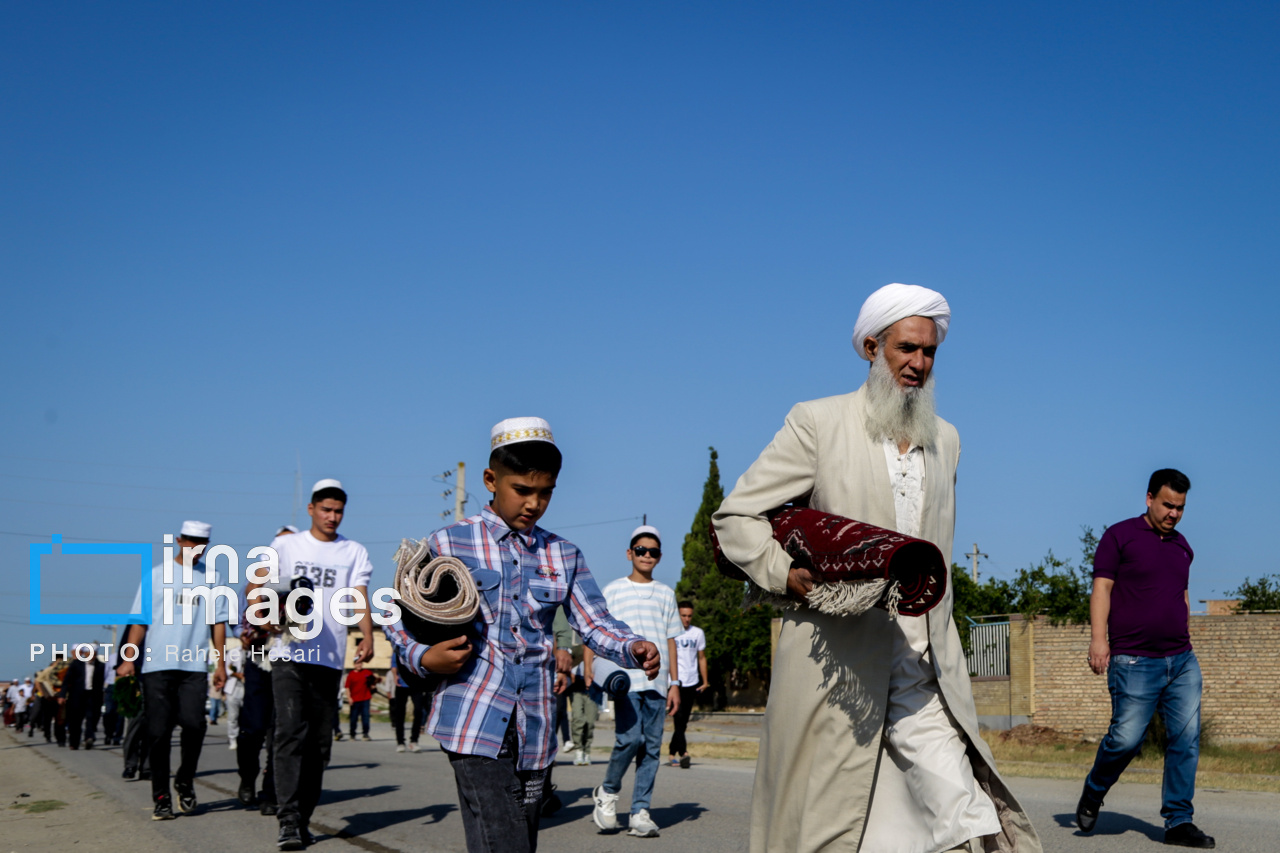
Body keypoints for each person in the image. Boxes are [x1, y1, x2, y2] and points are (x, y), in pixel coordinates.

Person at [712, 283, 1041, 853]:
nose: (919, 363)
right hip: (838, 663)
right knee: (827, 825)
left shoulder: (949, 440)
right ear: (871, 347)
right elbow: (735, 515)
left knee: (965, 813)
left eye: (929, 351)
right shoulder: (817, 422)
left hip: (922, 663)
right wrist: (781, 571)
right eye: (906, 349)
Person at [386, 417, 662, 853]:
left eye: (546, 492)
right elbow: (398, 618)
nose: (534, 503)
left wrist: (632, 646)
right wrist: (424, 657)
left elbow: (594, 621)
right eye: (522, 490)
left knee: (511, 840)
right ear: (491, 480)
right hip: (473, 717)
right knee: (506, 841)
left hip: (535, 724)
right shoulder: (448, 543)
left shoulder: (564, 554)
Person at [1076, 469, 1213, 849]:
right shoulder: (1119, 536)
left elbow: (1182, 594)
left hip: (1181, 660)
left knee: (1185, 740)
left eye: (1180, 508)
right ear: (1149, 497)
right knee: (1126, 740)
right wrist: (1099, 640)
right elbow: (1101, 589)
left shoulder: (1183, 546)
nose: (1174, 513)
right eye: (1168, 505)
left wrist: (1184, 630)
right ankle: (1094, 789)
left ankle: (1179, 822)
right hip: (1134, 661)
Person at [245, 479, 375, 851]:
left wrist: (365, 635)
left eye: (338, 512)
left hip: (329, 656)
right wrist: (261, 614)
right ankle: (287, 819)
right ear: (311, 510)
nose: (332, 517)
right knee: (289, 733)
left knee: (319, 744)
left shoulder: (354, 552)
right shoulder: (286, 545)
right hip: (288, 651)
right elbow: (256, 585)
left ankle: (303, 815)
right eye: (326, 510)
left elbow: (359, 597)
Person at [117, 520, 229, 820]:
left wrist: (220, 663)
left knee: (195, 726)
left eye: (202, 543)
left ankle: (184, 780)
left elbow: (218, 623)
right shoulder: (155, 576)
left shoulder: (213, 579)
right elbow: (140, 621)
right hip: (157, 665)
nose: (196, 547)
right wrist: (128, 659)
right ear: (180, 541)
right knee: (158, 732)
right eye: (190, 541)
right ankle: (162, 797)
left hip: (194, 666)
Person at [586, 525, 682, 838]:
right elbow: (595, 633)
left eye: (653, 551)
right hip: (625, 680)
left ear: (659, 557)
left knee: (652, 749)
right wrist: (590, 669)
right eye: (641, 550)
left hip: (657, 680)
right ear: (630, 553)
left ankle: (640, 812)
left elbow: (671, 641)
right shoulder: (613, 590)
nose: (646, 556)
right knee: (630, 739)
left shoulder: (666, 594)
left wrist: (675, 683)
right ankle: (608, 793)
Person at [668, 601, 708, 768]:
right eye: (683, 615)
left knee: (683, 721)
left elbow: (702, 658)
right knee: (678, 717)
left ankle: (671, 752)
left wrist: (705, 681)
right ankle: (684, 752)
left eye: (689, 616)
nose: (686, 619)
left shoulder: (697, 633)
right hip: (674, 683)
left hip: (692, 681)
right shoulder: (671, 633)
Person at [58, 642, 105, 750]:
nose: (91, 656)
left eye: (94, 654)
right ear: (85, 653)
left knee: (91, 717)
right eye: (89, 653)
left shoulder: (101, 666)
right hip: (77, 695)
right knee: (76, 719)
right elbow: (67, 680)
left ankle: (89, 737)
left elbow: (102, 682)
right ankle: (74, 742)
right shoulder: (76, 664)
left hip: (92, 695)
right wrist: (62, 695)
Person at [344, 661, 378, 741]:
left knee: (365, 717)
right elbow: (347, 687)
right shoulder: (351, 675)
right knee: (353, 718)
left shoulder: (367, 672)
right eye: (357, 664)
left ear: (362, 664)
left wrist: (373, 685)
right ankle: (352, 734)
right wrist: (349, 698)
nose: (359, 665)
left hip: (365, 698)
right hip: (355, 699)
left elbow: (374, 680)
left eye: (360, 663)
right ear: (354, 665)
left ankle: (365, 734)